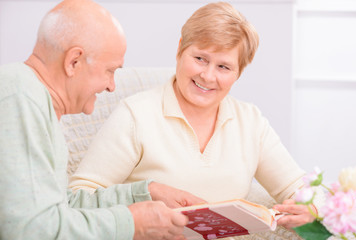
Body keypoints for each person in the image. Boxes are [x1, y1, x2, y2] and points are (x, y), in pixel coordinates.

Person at [70, 1, 316, 231]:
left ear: (239, 72)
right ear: (180, 49)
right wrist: (147, 192)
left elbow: (300, 190)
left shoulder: (250, 122)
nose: (208, 76)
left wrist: (312, 210)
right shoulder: (136, 116)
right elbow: (77, 199)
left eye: (224, 67)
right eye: (200, 59)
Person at [0, 0, 205, 239]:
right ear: (73, 61)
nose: (111, 86)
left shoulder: (31, 97)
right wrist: (132, 224)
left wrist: (145, 193)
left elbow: (62, 208)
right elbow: (32, 231)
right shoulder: (19, 96)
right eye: (110, 70)